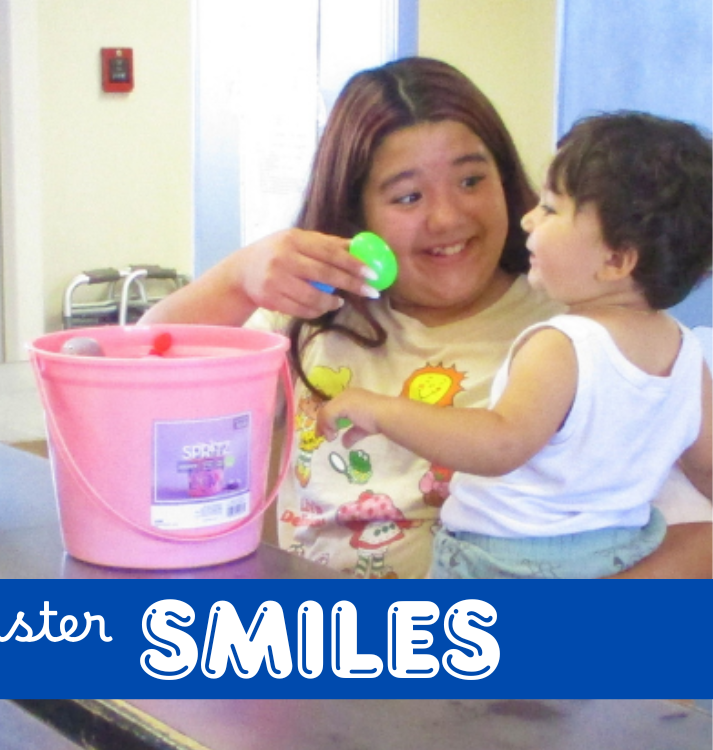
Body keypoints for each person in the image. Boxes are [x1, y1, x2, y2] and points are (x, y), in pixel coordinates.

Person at [140, 57, 712, 580]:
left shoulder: (582, 331)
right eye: (409, 197)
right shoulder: (312, 317)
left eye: (471, 181)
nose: (447, 218)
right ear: (356, 209)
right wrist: (236, 279)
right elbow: (142, 379)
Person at [316, 112, 712, 578]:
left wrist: (382, 411)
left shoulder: (563, 344)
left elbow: (500, 443)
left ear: (615, 259)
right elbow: (708, 466)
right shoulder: (686, 354)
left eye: (550, 209)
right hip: (617, 554)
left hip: (504, 563)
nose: (528, 218)